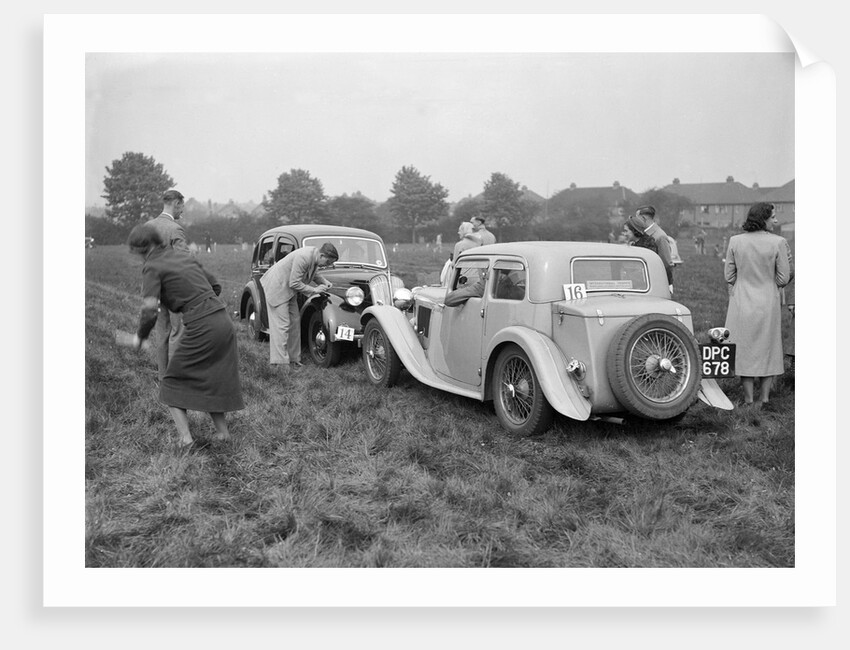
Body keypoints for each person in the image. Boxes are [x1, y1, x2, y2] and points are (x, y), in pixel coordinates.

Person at [127, 224, 244, 452]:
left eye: (137, 252)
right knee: (212, 378)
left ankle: (186, 440)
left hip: (203, 326)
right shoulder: (181, 256)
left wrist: (140, 337)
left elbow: (150, 310)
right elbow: (215, 285)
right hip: (222, 320)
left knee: (171, 383)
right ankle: (223, 433)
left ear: (143, 248)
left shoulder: (152, 266)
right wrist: (198, 302)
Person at [723, 202, 794, 408]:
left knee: (744, 346)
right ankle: (764, 399)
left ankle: (747, 399)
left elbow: (729, 275)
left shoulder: (735, 241)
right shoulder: (779, 242)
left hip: (742, 301)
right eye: (772, 217)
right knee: (767, 346)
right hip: (767, 302)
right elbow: (782, 279)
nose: (776, 220)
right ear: (763, 219)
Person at [261, 242, 339, 369]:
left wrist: (324, 282)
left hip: (288, 291)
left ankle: (293, 360)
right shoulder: (304, 257)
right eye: (328, 262)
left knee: (294, 322)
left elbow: (313, 273)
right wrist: (314, 290)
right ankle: (280, 364)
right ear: (322, 255)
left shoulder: (314, 255)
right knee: (282, 325)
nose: (328, 265)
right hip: (277, 287)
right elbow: (294, 283)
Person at [144, 189, 190, 378]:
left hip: (152, 288)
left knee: (162, 333)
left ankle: (164, 379)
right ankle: (175, 380)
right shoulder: (175, 229)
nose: (182, 212)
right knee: (178, 332)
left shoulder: (147, 226)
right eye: (182, 207)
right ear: (176, 204)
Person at [635, 206, 675, 291]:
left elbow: (666, 263)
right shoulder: (644, 234)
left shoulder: (660, 236)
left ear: (643, 218)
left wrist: (668, 284)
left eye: (637, 218)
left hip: (656, 282)